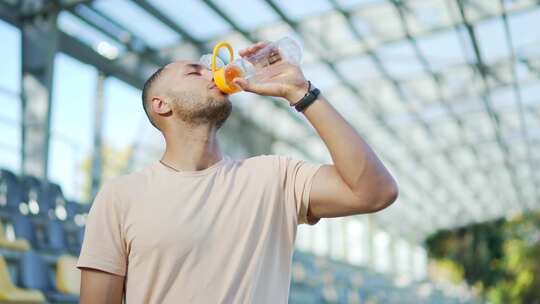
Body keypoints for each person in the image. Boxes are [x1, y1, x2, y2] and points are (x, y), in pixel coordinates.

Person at [77, 41, 398, 303]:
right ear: (161, 105)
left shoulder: (275, 177)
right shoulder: (120, 196)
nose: (213, 72)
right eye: (195, 71)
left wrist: (302, 92)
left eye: (210, 67)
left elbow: (375, 192)